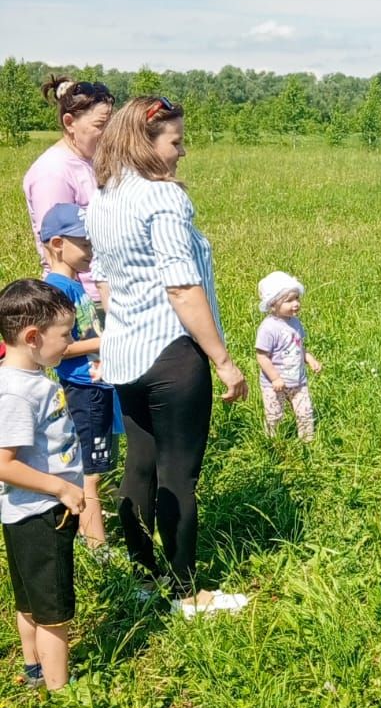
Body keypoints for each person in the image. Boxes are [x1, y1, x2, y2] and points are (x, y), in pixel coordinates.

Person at [85, 96, 250, 618]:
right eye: (175, 141)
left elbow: (105, 285)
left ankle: (142, 575)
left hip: (125, 353)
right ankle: (186, 591)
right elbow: (182, 288)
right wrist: (222, 360)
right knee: (179, 476)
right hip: (172, 353)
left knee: (140, 465)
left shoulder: (104, 199)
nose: (182, 151)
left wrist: (125, 328)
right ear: (145, 142)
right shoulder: (164, 200)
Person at [0, 279, 86, 691]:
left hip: (27, 512)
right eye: (65, 334)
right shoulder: (17, 392)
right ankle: (60, 691)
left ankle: (34, 670)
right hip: (40, 513)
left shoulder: (27, 380)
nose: (69, 344)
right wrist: (61, 488)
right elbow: (3, 464)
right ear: (33, 337)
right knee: (54, 611)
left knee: (29, 600)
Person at [41, 203, 116, 548]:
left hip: (95, 384)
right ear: (58, 244)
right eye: (83, 244)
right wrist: (107, 341)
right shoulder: (56, 289)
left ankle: (96, 535)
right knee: (91, 473)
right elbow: (56, 350)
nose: (90, 250)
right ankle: (96, 547)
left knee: (98, 466)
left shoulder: (72, 286)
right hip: (83, 388)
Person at [24, 75, 115, 300]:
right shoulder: (53, 173)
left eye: (110, 124)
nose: (108, 134)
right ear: (69, 122)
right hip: (81, 298)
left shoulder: (93, 160)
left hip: (107, 292)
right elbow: (57, 248)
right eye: (100, 125)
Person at [255, 271, 322, 441]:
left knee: (305, 412)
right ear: (272, 303)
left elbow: (298, 347)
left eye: (297, 298)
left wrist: (310, 359)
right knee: (275, 415)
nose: (296, 304)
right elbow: (262, 356)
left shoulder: (296, 323)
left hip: (298, 381)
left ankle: (307, 443)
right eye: (289, 300)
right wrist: (275, 378)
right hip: (274, 384)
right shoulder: (268, 328)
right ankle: (273, 443)